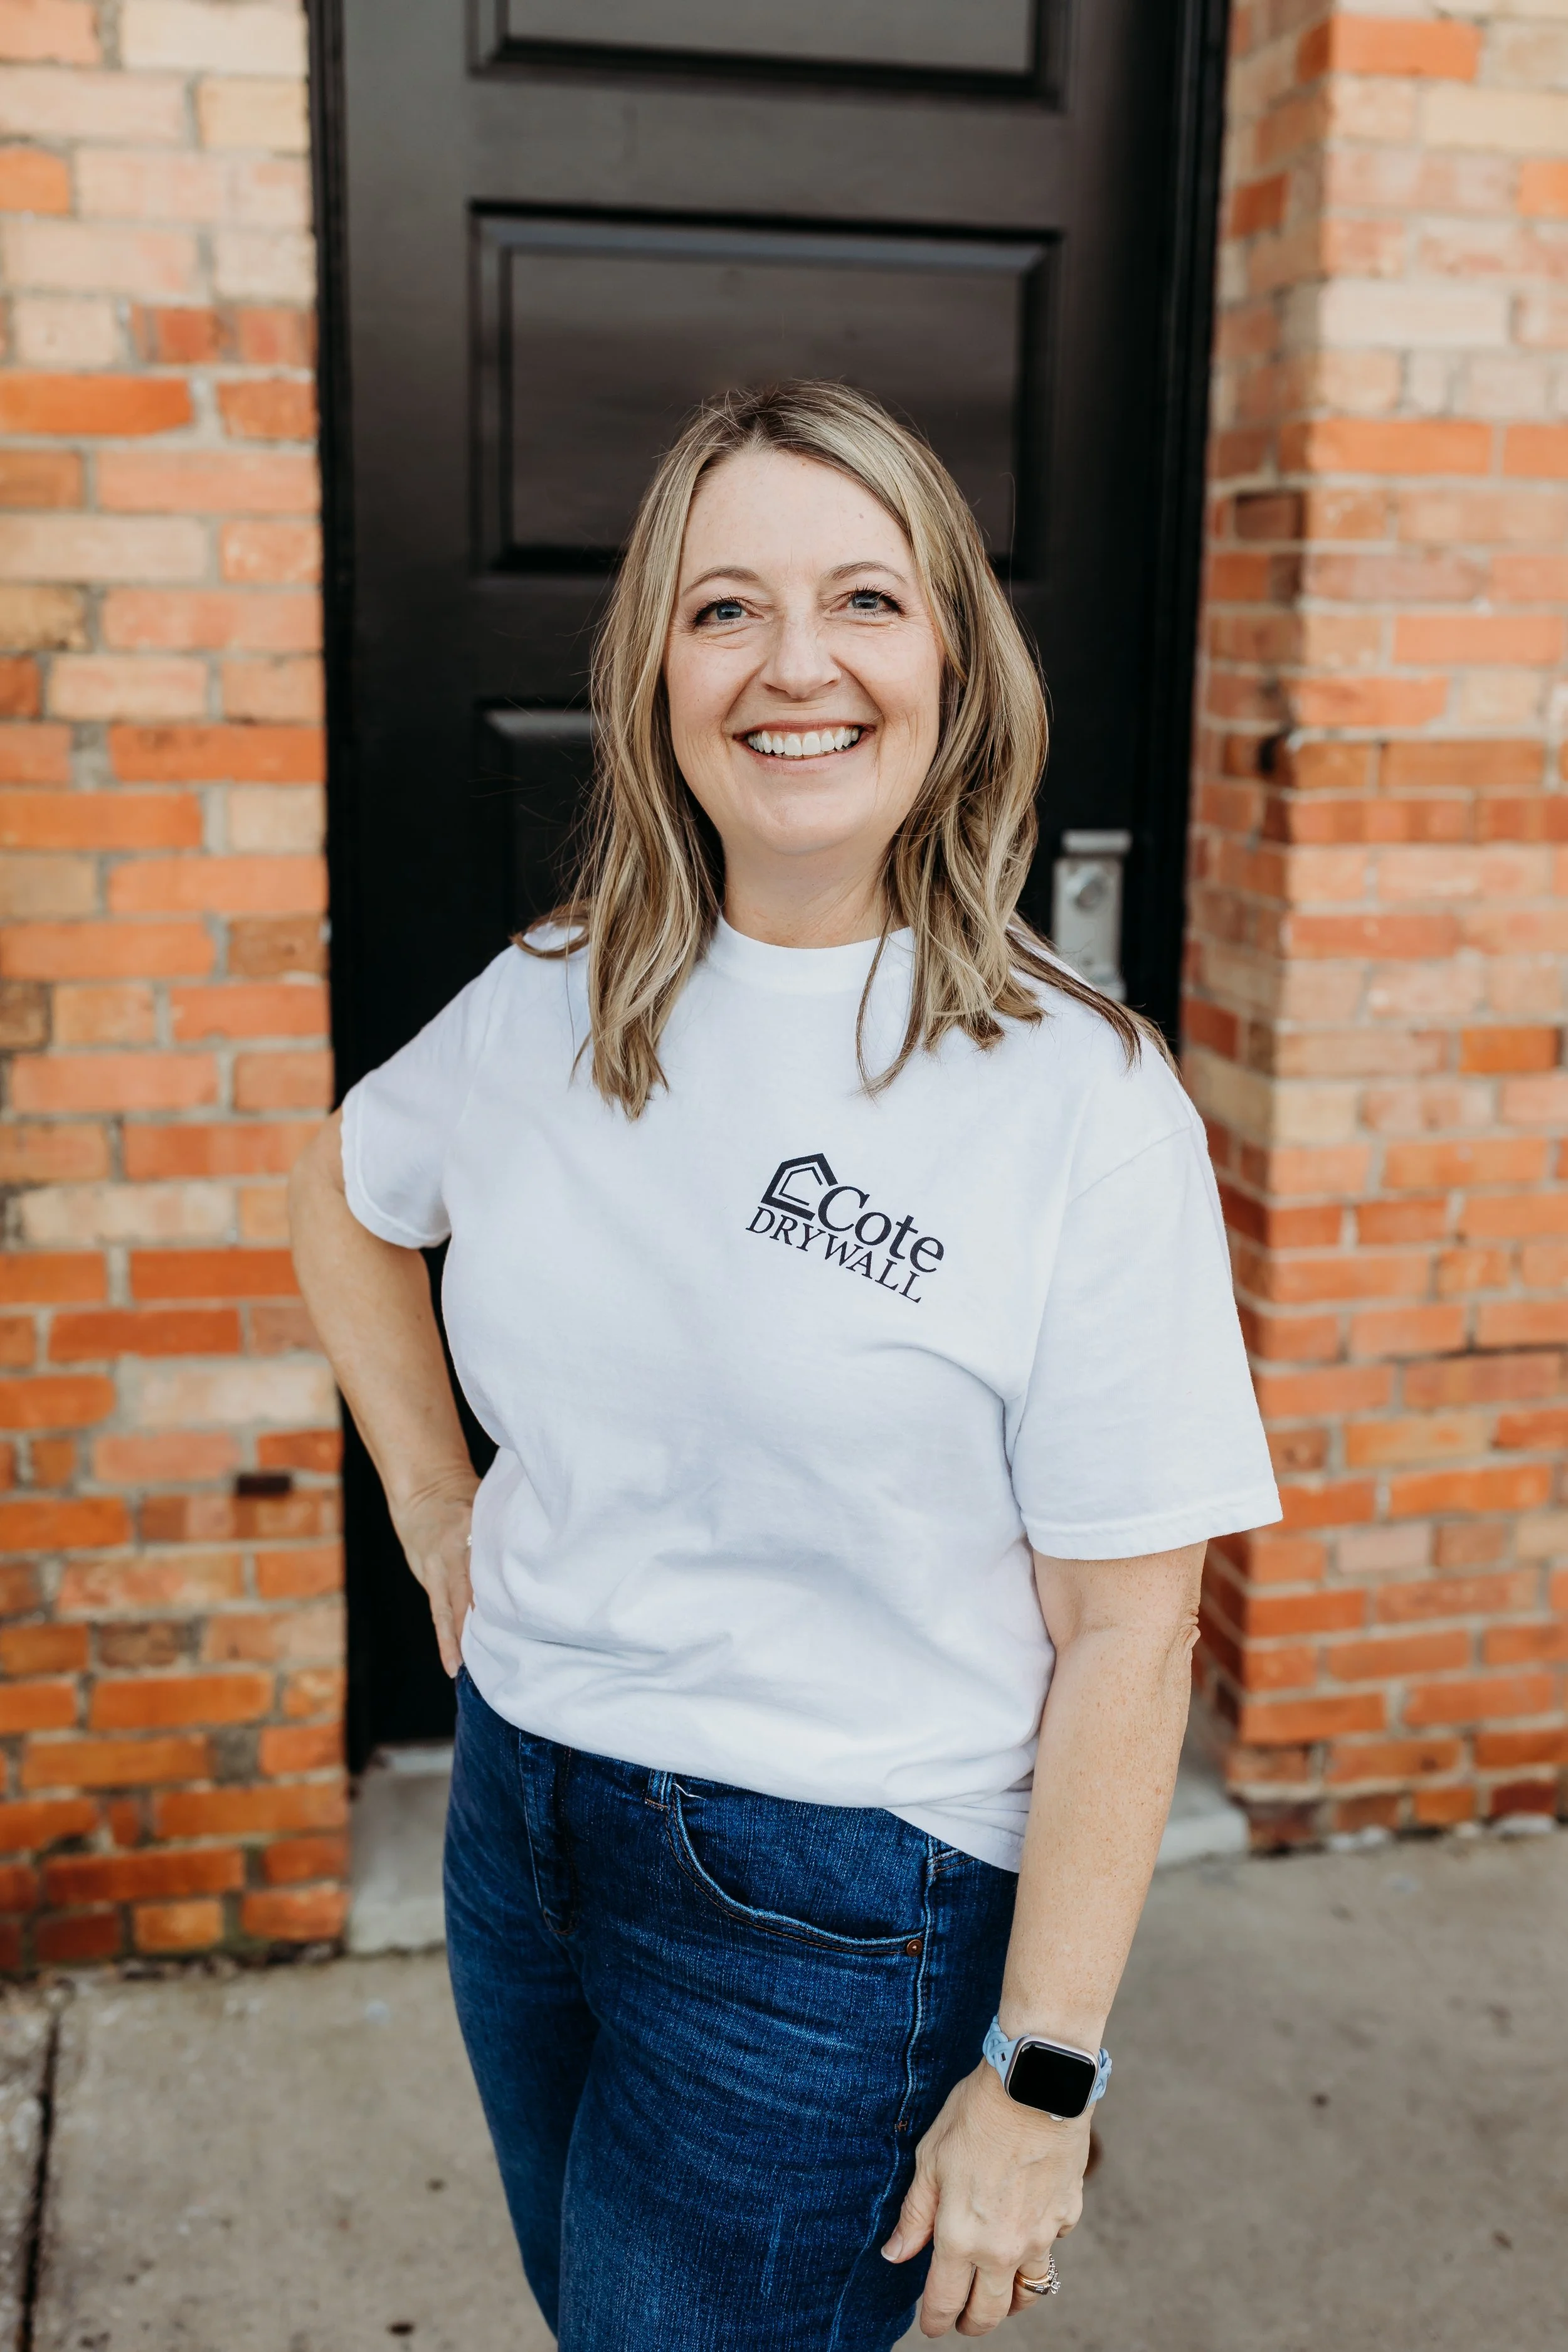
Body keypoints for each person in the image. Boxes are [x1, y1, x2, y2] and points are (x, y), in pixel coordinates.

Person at [289, 379, 1279, 2349]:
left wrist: (1042, 2077)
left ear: (950, 663)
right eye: (724, 607)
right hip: (524, 1809)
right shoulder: (553, 997)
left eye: (863, 600)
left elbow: (1125, 1627)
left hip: (837, 1902)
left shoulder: (1075, 1098)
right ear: (654, 666)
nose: (794, 662)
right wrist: (432, 1499)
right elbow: (344, 1193)